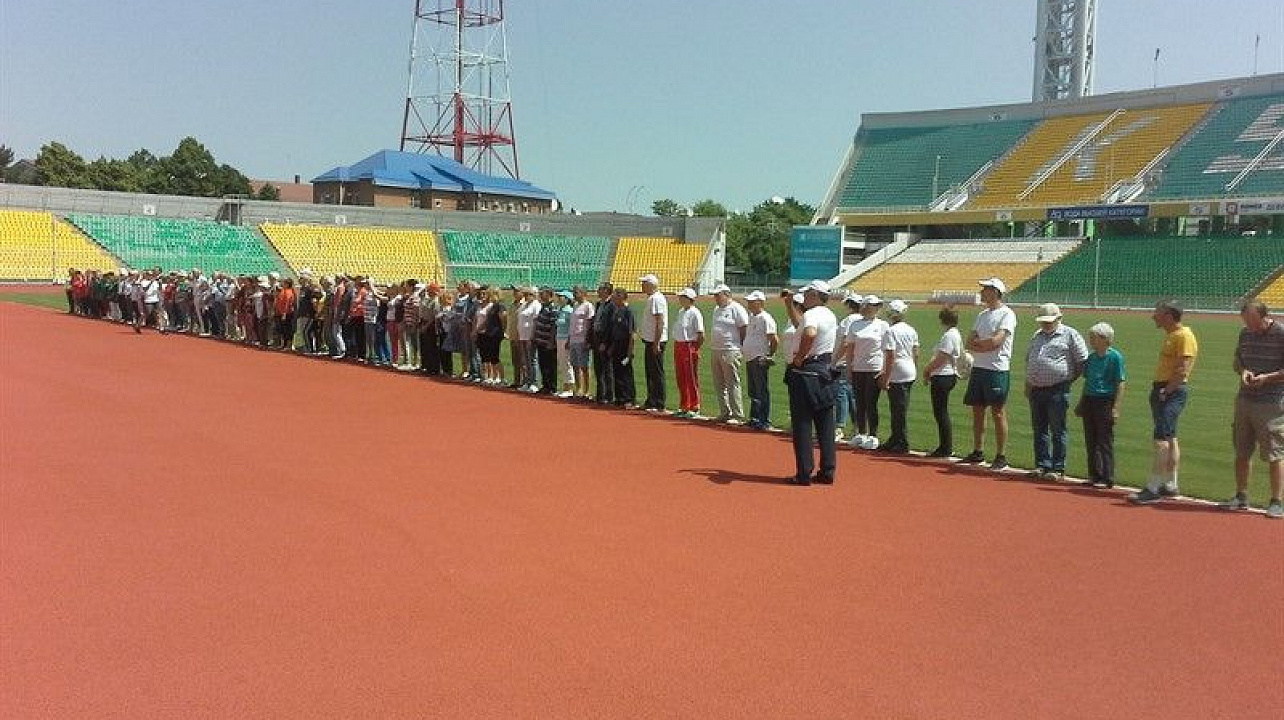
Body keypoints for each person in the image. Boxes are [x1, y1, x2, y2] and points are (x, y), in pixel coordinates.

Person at [1130, 299, 1198, 505]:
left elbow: (1182, 369)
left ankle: (1153, 487)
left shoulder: (1184, 336)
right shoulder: (1172, 336)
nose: (1154, 316)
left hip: (1170, 390)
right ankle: (1170, 484)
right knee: (1170, 436)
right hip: (1165, 389)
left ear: (1169, 315)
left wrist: (1166, 391)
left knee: (1161, 439)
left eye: (1158, 313)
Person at [1220, 300, 1284, 518]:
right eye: (1246, 320)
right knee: (1242, 450)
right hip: (1245, 399)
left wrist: (1268, 378)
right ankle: (1241, 496)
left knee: (1274, 453)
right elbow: (1238, 360)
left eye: (1252, 320)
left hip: (1272, 402)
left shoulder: (1281, 333)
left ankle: (1276, 501)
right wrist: (1244, 371)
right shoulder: (1244, 334)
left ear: (1265, 316)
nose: (1249, 325)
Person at [1023, 303, 1088, 479]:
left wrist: (1068, 379)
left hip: (1057, 389)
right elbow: (1030, 360)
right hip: (1036, 389)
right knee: (1039, 429)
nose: (1045, 324)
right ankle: (1042, 464)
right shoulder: (1037, 336)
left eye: (1049, 321)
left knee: (1058, 429)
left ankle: (1057, 467)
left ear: (1059, 318)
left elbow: (1082, 361)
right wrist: (1028, 384)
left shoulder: (1070, 334)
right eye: (1043, 321)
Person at [783, 280, 839, 485]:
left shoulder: (812, 314)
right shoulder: (829, 315)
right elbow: (802, 326)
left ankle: (804, 472)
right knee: (825, 423)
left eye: (807, 293)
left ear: (815, 295)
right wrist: (790, 306)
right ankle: (827, 470)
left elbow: (809, 332)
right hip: (824, 371)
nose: (804, 297)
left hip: (806, 372)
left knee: (803, 424)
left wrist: (800, 357)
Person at [962, 278, 1017, 471]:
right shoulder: (982, 315)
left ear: (995, 292)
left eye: (985, 288)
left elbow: (996, 342)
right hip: (979, 367)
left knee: (998, 411)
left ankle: (1001, 455)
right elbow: (969, 341)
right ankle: (978, 451)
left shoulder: (1007, 314)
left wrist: (981, 345)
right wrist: (982, 345)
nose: (982, 291)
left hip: (996, 369)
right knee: (977, 410)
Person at [1077, 322, 1126, 488]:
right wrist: (1082, 402)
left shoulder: (1115, 357)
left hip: (1105, 400)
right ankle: (1094, 474)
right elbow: (1088, 381)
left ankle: (1107, 475)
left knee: (1104, 440)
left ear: (1104, 339)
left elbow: (1120, 382)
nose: (1091, 340)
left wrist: (1116, 407)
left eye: (1094, 337)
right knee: (1091, 439)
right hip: (1090, 399)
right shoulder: (1091, 358)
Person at [846, 295, 889, 450]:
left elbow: (887, 349)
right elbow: (850, 348)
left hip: (874, 368)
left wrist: (884, 370)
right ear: (865, 306)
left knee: (871, 402)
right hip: (858, 367)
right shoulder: (855, 325)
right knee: (859, 402)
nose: (874, 307)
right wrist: (849, 368)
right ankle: (861, 433)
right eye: (871, 305)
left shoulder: (883, 325)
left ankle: (873, 434)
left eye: (876, 305)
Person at [922, 306, 963, 458]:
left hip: (943, 376)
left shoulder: (949, 336)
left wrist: (927, 370)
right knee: (941, 412)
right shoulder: (954, 334)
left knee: (940, 412)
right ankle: (945, 445)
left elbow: (942, 358)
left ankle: (945, 447)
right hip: (946, 375)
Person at [879, 299, 919, 454]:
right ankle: (896, 438)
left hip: (898, 371)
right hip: (909, 369)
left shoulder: (891, 331)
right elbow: (916, 352)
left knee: (898, 409)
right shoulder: (911, 330)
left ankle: (901, 441)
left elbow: (891, 356)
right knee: (899, 408)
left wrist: (886, 376)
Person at [709, 284, 749, 424]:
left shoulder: (736, 308)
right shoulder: (716, 309)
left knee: (732, 382)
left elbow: (744, 328)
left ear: (727, 294)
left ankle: (737, 414)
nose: (715, 298)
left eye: (718, 295)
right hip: (716, 349)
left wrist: (741, 347)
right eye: (715, 295)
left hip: (730, 349)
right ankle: (724, 411)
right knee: (719, 383)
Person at [743, 290, 778, 430]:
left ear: (760, 302)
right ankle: (755, 417)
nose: (749, 304)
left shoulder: (766, 318)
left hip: (759, 357)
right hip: (750, 356)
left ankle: (764, 419)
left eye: (752, 302)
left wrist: (769, 355)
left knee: (761, 389)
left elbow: (774, 339)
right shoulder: (752, 316)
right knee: (753, 389)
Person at [671, 287, 705, 418]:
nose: (680, 299)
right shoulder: (681, 311)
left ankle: (695, 406)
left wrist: (695, 348)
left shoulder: (695, 313)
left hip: (689, 345)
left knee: (691, 377)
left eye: (682, 297)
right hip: (678, 344)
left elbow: (701, 334)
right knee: (681, 377)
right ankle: (684, 405)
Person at [637, 274, 669, 412]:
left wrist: (656, 342)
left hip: (655, 341)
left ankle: (659, 401)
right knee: (650, 371)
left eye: (644, 283)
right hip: (650, 340)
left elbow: (660, 321)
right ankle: (651, 400)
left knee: (656, 372)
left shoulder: (656, 299)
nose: (642, 286)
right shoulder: (652, 298)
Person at [832, 295, 862, 442]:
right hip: (856, 363)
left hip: (844, 362)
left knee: (841, 394)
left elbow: (845, 343)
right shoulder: (862, 321)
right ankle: (857, 428)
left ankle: (839, 427)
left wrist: (834, 360)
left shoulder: (848, 321)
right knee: (853, 397)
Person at [607, 287, 636, 408]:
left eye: (616, 295)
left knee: (626, 373)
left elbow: (632, 333)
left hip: (625, 345)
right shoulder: (616, 310)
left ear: (622, 297)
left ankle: (628, 398)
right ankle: (619, 397)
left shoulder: (627, 311)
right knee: (617, 371)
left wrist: (630, 351)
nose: (613, 297)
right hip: (616, 345)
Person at [568, 285, 595, 399]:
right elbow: (573, 323)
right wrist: (569, 338)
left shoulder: (588, 306)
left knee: (584, 366)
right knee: (575, 365)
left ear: (584, 293)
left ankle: (587, 390)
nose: (574, 294)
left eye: (577, 292)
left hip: (582, 339)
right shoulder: (575, 305)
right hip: (573, 339)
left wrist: (587, 339)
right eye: (574, 292)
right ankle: (578, 389)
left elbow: (589, 324)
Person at [590, 283, 615, 404]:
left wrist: (605, 342)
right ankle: (600, 394)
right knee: (598, 367)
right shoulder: (599, 304)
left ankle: (608, 395)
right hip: (596, 338)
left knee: (607, 368)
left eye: (600, 289)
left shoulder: (612, 305)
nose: (598, 291)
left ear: (606, 291)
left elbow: (610, 325)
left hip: (605, 339)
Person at [476, 286, 507, 385]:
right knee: (491, 356)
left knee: (495, 356)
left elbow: (503, 319)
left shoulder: (500, 305)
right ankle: (494, 376)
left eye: (490, 294)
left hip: (496, 333)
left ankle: (502, 378)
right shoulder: (493, 306)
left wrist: (502, 331)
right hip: (490, 333)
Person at [533, 287, 559, 394]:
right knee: (542, 364)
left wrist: (551, 341)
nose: (540, 295)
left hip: (548, 341)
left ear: (549, 295)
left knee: (550, 365)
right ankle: (545, 385)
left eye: (542, 293)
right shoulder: (543, 307)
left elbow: (554, 325)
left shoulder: (552, 308)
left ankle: (552, 386)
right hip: (541, 340)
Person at [517, 285, 542, 390]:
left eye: (529, 294)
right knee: (525, 360)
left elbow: (536, 321)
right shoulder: (524, 305)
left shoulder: (536, 305)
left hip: (529, 336)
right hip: (522, 335)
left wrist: (532, 336)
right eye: (525, 294)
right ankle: (527, 381)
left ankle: (534, 382)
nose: (526, 296)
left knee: (532, 359)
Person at [554, 290, 576, 397]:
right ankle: (565, 386)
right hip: (559, 338)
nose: (559, 299)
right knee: (562, 362)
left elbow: (571, 327)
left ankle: (570, 388)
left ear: (567, 299)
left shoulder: (569, 311)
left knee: (567, 363)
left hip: (565, 339)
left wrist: (569, 340)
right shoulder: (560, 310)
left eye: (561, 297)